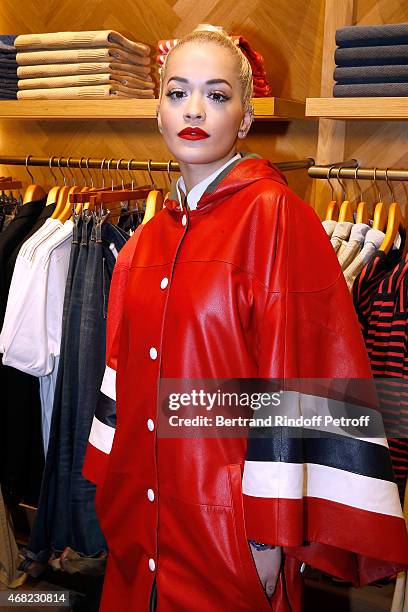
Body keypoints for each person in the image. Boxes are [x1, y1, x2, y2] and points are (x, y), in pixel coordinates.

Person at [83, 25, 408, 611]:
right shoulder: (145, 241)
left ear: (246, 116)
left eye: (218, 94)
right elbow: (123, 381)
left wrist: (266, 535)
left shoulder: (277, 221)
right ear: (157, 111)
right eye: (177, 93)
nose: (196, 110)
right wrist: (116, 498)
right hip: (140, 528)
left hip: (229, 529)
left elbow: (297, 386)